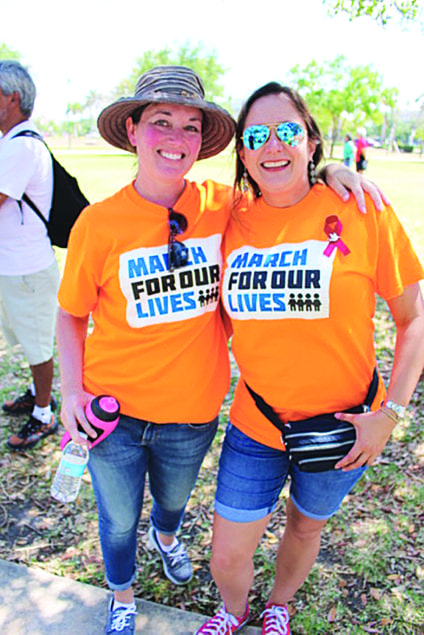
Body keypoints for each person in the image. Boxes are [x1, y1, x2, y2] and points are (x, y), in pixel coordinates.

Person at [56, 66, 387, 635]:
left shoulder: (223, 205)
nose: (175, 138)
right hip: (110, 415)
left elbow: (284, 185)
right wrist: (71, 391)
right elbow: (70, 312)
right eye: (161, 122)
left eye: (190, 127)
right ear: (133, 130)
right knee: (115, 521)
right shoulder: (98, 223)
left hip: (192, 414)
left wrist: (330, 169)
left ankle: (166, 539)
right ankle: (123, 596)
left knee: (172, 504)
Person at [196, 82, 424, 635]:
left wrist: (388, 417)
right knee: (227, 551)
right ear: (244, 154)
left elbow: (415, 317)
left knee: (303, 527)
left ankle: (278, 604)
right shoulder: (228, 218)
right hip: (258, 422)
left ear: (311, 140)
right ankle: (233, 610)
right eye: (256, 135)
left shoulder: (362, 208)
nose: (272, 144)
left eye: (287, 131)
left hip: (346, 428)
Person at [0, 60, 59, 451]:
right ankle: (37, 395)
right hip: (14, 267)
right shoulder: (11, 144)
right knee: (24, 338)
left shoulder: (21, 147)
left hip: (28, 270)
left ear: (12, 99)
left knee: (37, 344)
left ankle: (44, 413)